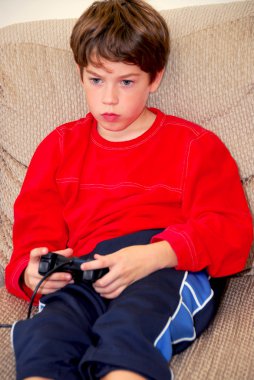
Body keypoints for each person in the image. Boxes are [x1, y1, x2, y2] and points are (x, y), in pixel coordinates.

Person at [5, 0, 253, 379]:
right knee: (44, 339)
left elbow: (231, 232)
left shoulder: (195, 146)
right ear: (80, 73)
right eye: (96, 80)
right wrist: (32, 272)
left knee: (128, 337)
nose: (109, 99)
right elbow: (33, 236)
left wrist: (157, 254)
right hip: (84, 273)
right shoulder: (58, 147)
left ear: (154, 78)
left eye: (126, 81)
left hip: (164, 270)